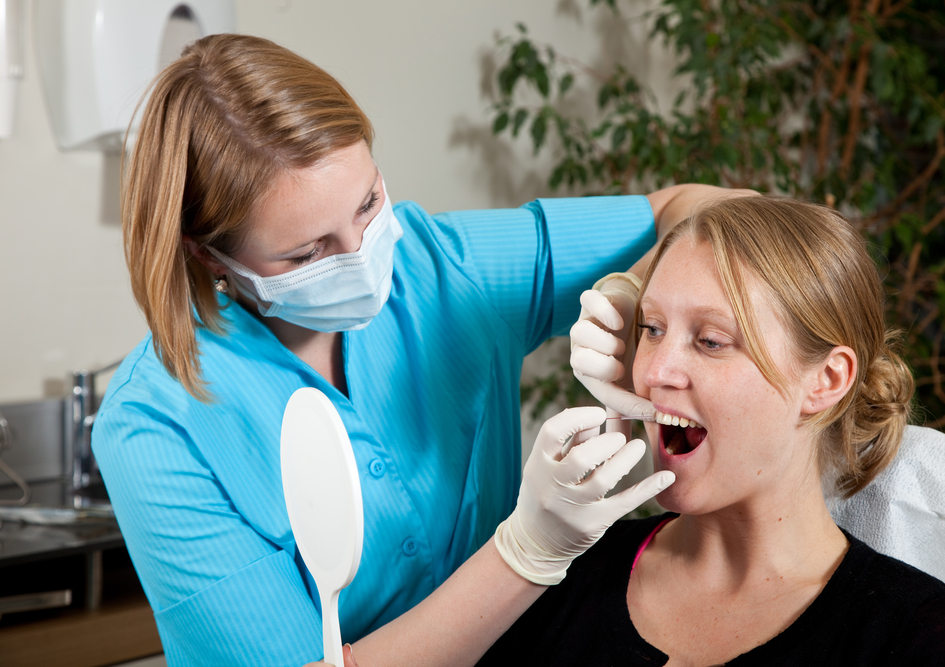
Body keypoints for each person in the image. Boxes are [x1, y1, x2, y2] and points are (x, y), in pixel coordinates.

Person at [92, 33, 748, 666]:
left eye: (369, 203)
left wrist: (638, 288)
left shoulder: (441, 267)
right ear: (209, 256)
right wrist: (526, 551)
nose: (363, 255)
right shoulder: (154, 426)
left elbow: (716, 212)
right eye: (307, 252)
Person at [479, 196, 945, 665]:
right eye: (651, 330)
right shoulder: (564, 575)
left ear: (826, 380)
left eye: (710, 341)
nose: (654, 371)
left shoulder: (915, 636)